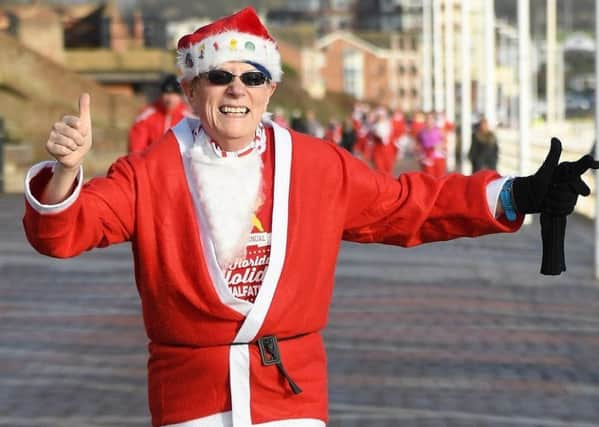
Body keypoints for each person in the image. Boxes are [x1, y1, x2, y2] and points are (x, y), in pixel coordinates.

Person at [22, 7, 599, 427]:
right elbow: (66, 232)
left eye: (253, 78)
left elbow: (405, 206)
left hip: (289, 393)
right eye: (219, 77)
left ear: (270, 90)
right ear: (191, 88)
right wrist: (68, 172)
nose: (236, 91)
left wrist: (517, 193)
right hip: (189, 397)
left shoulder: (317, 166)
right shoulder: (149, 171)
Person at [128, 73, 191, 153]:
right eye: (166, 94)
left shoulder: (189, 118)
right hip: (151, 162)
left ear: (180, 96)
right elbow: (136, 149)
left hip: (179, 163)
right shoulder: (146, 116)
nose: (169, 99)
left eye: (173, 94)